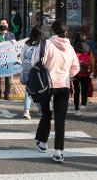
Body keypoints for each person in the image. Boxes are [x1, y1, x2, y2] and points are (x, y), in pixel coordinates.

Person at [35, 21, 80, 163]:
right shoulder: (69, 47)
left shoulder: (47, 44)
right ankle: (58, 151)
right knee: (60, 118)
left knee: (46, 113)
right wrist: (67, 75)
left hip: (47, 85)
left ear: (53, 31)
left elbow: (36, 61)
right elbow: (76, 67)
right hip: (64, 85)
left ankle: (42, 143)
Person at [20, 24, 44, 120]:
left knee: (28, 90)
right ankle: (41, 108)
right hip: (39, 70)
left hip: (28, 70)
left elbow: (22, 56)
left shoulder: (27, 43)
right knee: (41, 89)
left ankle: (26, 111)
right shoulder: (43, 44)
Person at [72, 32, 94, 117]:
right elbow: (92, 61)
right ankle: (83, 105)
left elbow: (71, 61)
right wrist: (91, 72)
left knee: (76, 91)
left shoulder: (74, 48)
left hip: (76, 73)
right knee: (84, 90)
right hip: (86, 74)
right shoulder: (88, 48)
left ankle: (76, 109)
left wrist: (71, 73)